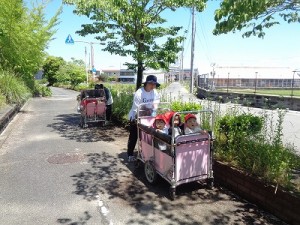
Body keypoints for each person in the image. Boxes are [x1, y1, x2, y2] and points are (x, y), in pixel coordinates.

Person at [127, 75, 161, 162]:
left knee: (147, 136)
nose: (153, 86)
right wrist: (136, 118)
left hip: (149, 116)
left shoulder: (155, 92)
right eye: (151, 84)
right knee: (134, 135)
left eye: (154, 84)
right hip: (137, 116)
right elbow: (136, 108)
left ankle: (145, 152)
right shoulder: (139, 93)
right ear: (147, 83)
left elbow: (156, 105)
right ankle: (130, 154)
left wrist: (153, 113)